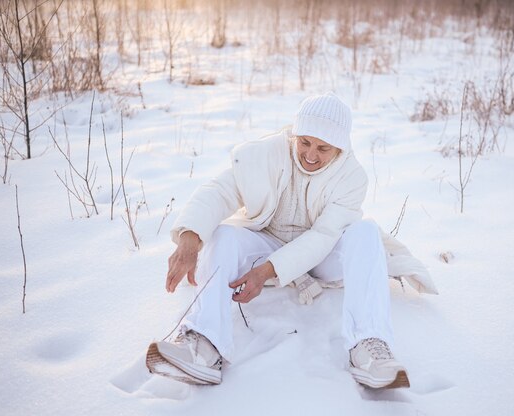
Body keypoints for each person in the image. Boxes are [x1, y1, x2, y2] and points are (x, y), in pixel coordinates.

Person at [154, 92, 437, 389]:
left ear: (339, 148)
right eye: (305, 142)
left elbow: (323, 237)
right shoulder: (265, 154)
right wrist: (188, 240)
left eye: (323, 148)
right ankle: (203, 344)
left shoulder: (352, 177)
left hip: (322, 257)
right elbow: (219, 192)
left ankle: (369, 348)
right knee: (223, 234)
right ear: (295, 134)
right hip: (266, 244)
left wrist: (266, 272)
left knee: (365, 232)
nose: (311, 155)